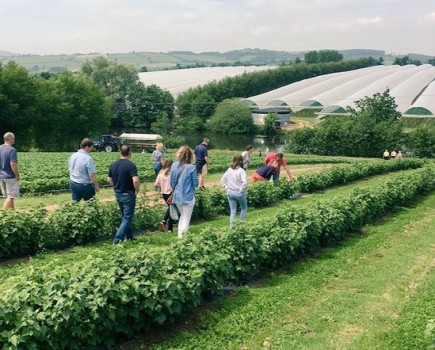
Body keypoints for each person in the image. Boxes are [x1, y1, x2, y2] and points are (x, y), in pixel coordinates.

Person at [107, 145, 140, 244]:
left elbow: (109, 179)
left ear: (120, 152)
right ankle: (117, 240)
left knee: (124, 216)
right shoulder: (131, 165)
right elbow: (136, 180)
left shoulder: (113, 164)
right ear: (129, 152)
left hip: (118, 193)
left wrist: (115, 186)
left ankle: (129, 236)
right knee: (127, 218)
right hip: (128, 194)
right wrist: (136, 190)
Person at [170, 145, 198, 238]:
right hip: (188, 196)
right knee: (186, 218)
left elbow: (172, 182)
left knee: (182, 216)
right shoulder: (191, 167)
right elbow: (196, 183)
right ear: (190, 156)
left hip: (177, 196)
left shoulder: (174, 165)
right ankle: (183, 238)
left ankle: (180, 237)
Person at [220, 154, 248, 228]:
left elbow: (222, 180)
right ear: (241, 161)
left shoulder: (229, 170)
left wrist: (226, 187)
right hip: (238, 192)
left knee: (233, 210)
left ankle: (231, 227)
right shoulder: (241, 171)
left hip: (230, 192)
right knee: (243, 208)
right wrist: (241, 189)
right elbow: (244, 182)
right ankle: (241, 225)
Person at [0, 132, 20, 210]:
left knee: (8, 196)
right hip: (10, 176)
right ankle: (3, 214)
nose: (14, 140)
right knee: (11, 197)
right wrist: (17, 175)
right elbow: (13, 164)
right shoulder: (12, 150)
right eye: (13, 138)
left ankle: (12, 212)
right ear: (10, 138)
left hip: (1, 176)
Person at [155, 159, 174, 232]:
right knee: (172, 209)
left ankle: (167, 225)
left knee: (171, 209)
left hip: (164, 193)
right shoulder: (171, 174)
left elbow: (157, 184)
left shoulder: (160, 173)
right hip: (171, 193)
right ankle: (165, 223)